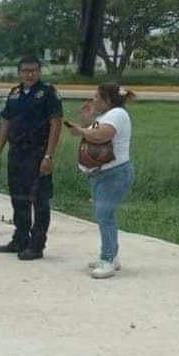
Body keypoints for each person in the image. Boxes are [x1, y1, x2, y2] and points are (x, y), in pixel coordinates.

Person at [0, 56, 62, 260]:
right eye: (25, 71)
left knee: (39, 199)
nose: (29, 74)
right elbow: (6, 123)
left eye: (33, 70)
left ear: (39, 71)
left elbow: (56, 123)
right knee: (18, 198)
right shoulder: (14, 93)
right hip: (17, 153)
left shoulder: (48, 93)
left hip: (38, 153)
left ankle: (37, 244)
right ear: (19, 73)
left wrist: (49, 155)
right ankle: (20, 238)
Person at [66, 83, 134, 279]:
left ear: (108, 100)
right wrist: (86, 121)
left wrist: (81, 130)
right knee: (105, 215)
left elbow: (101, 135)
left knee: (104, 214)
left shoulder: (118, 114)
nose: (93, 100)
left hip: (114, 174)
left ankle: (108, 258)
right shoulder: (105, 116)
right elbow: (90, 132)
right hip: (101, 174)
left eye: (97, 97)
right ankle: (111, 255)